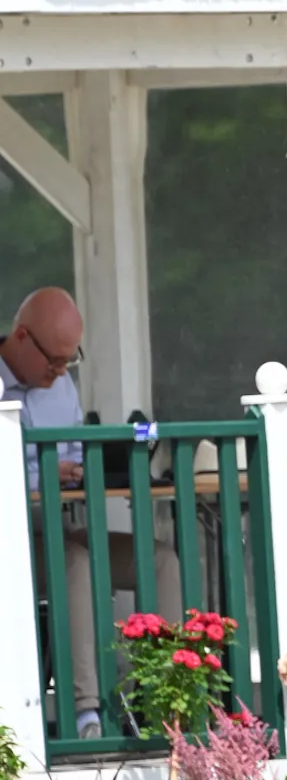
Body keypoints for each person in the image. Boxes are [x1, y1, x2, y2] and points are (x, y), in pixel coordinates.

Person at [0, 287, 180, 739]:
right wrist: (40, 473)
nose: (61, 372)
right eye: (53, 361)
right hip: (11, 542)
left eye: (69, 360)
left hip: (58, 527)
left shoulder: (59, 384)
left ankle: (164, 700)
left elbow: (78, 448)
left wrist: (81, 469)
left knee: (162, 562)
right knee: (73, 563)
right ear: (21, 337)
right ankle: (87, 716)